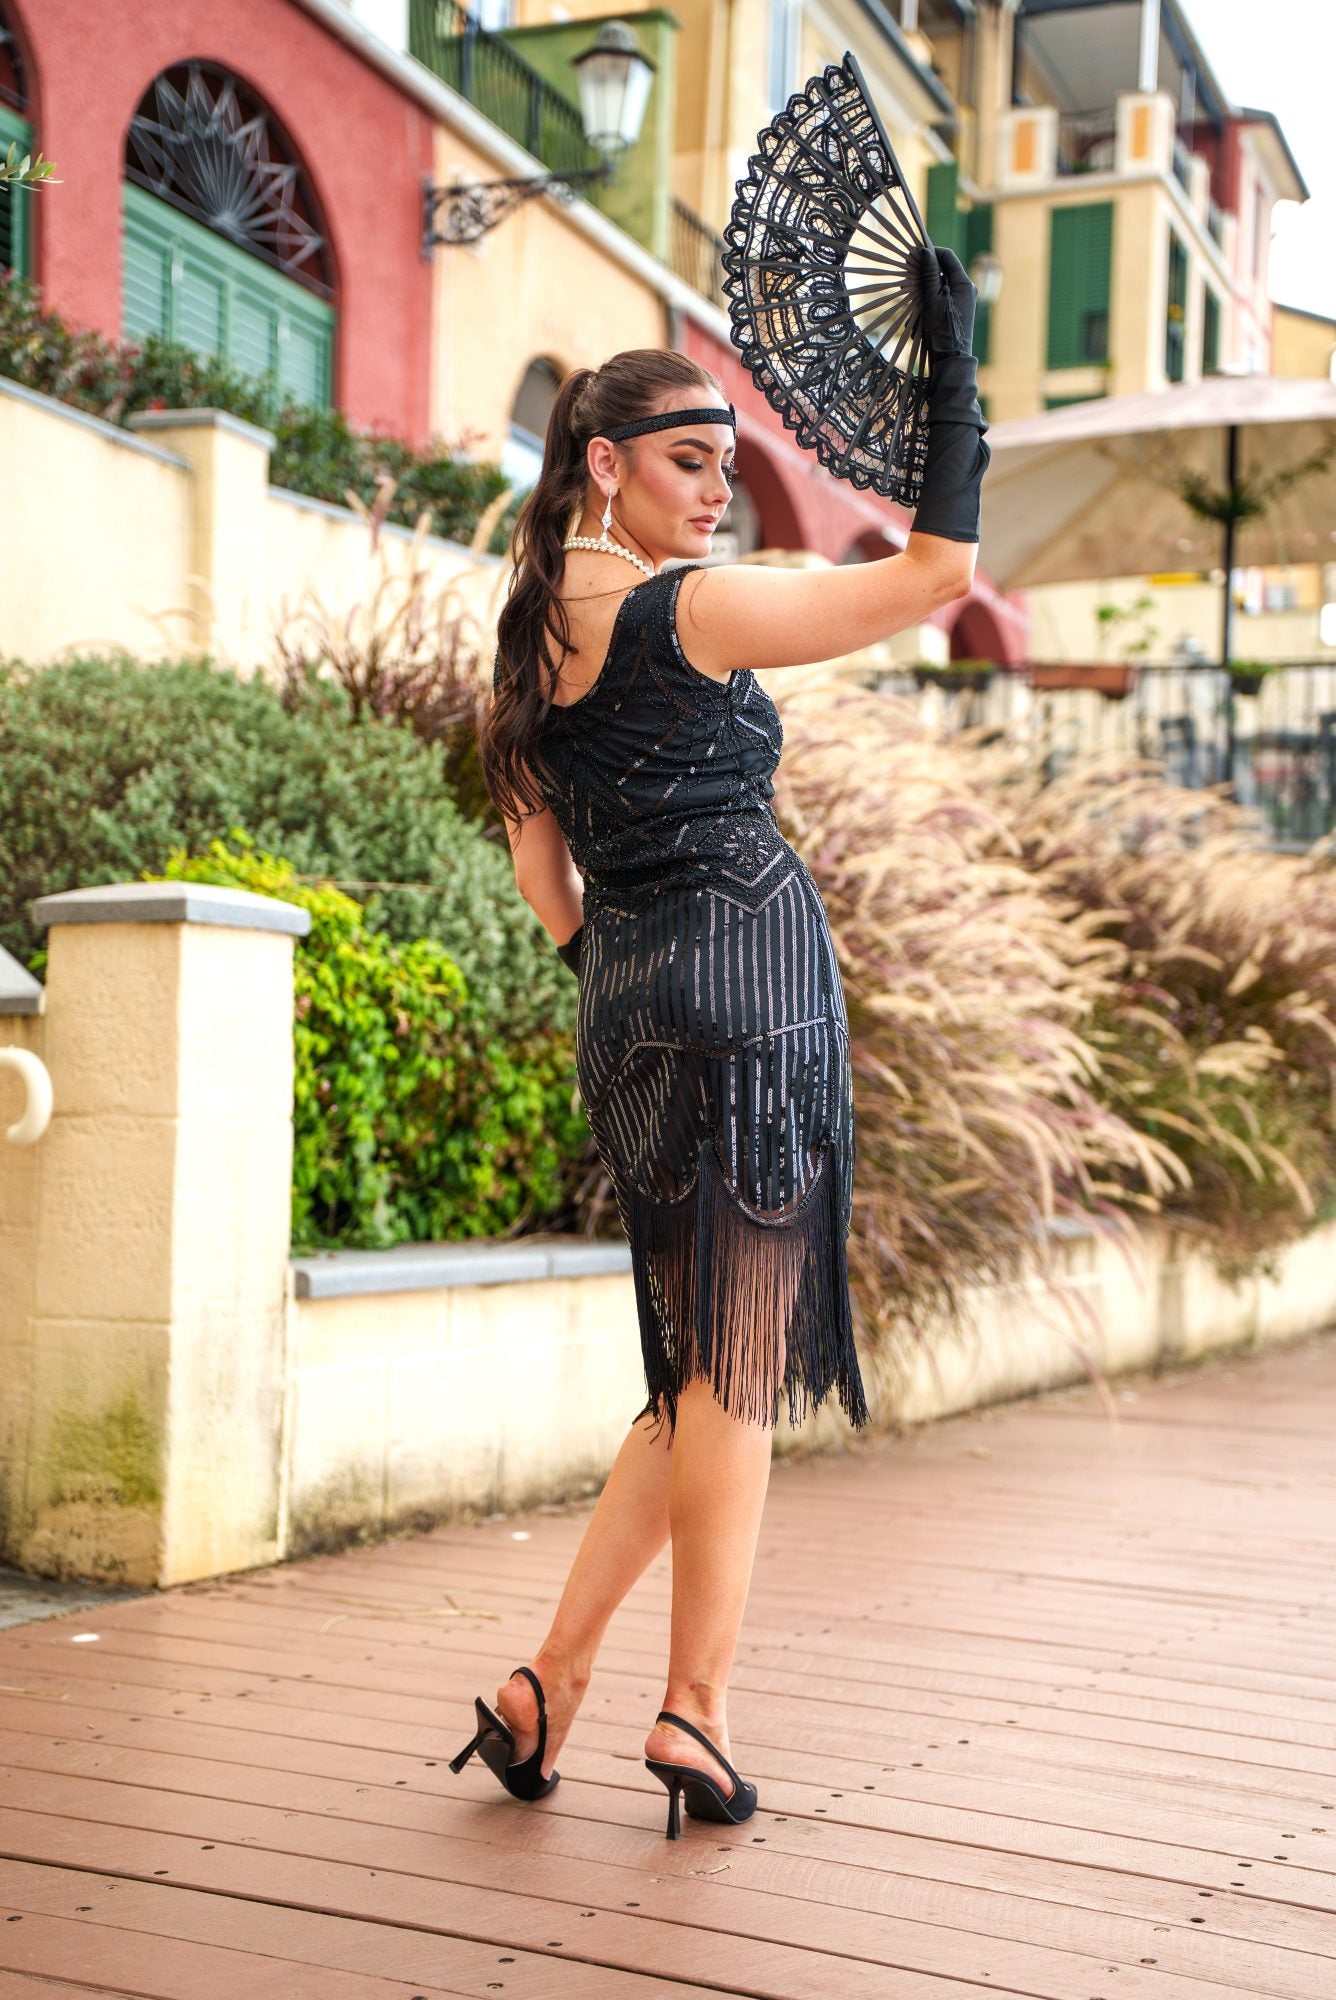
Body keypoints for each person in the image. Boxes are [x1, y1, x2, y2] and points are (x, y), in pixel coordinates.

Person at [453, 245, 988, 1839]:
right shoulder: (691, 613)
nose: (715, 492)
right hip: (754, 1003)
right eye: (690, 461)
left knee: (690, 1380)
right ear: (604, 462)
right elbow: (933, 580)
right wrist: (954, 392)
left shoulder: (525, 634)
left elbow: (542, 871)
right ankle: (696, 1713)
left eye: (728, 466)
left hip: (628, 1016)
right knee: (738, 1376)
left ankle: (543, 1687)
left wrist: (633, 964)